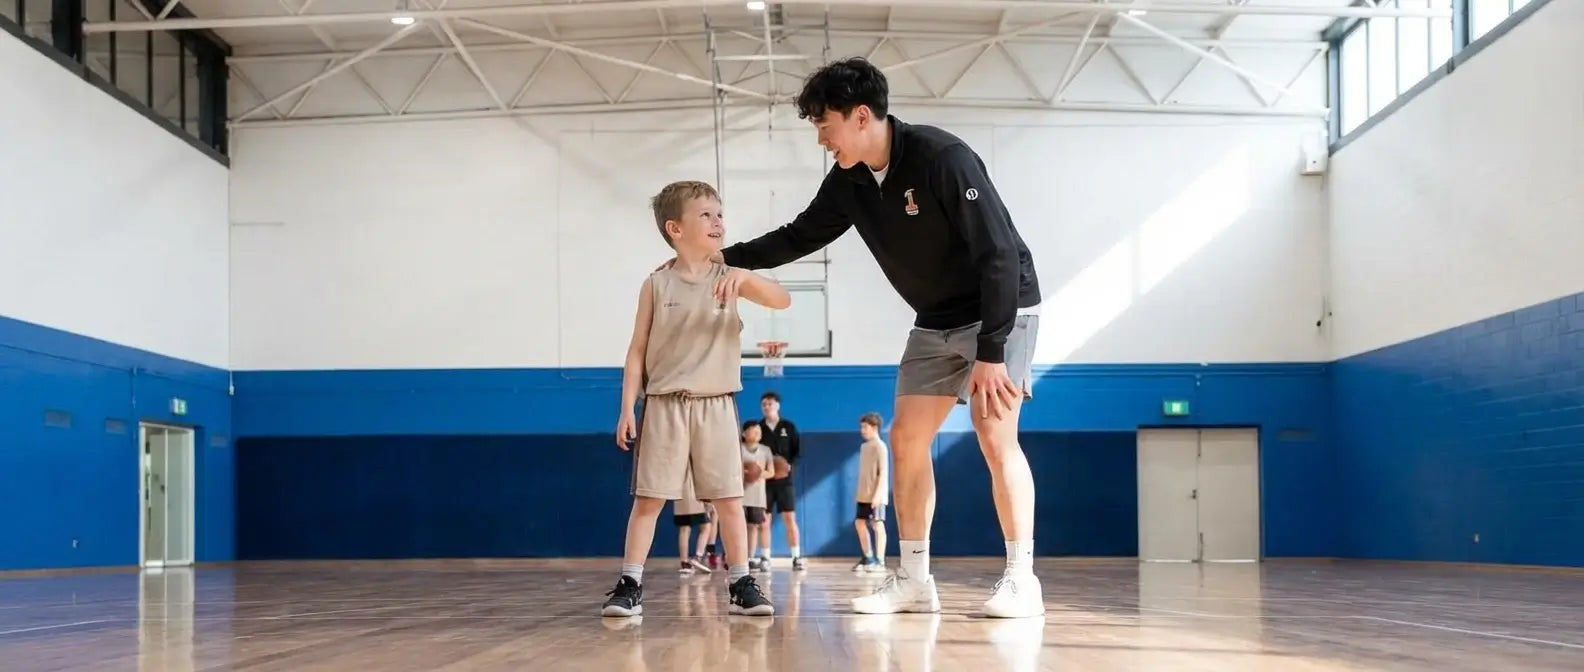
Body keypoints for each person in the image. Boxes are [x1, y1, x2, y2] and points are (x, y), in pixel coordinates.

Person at [708, 57, 1046, 618]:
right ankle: (914, 577)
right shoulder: (849, 182)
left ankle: (1021, 578)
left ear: (861, 116)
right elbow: (798, 236)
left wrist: (991, 352)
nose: (821, 139)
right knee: (908, 439)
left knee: (994, 436)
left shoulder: (943, 158)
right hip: (935, 319)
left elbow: (1000, 254)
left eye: (825, 124)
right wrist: (722, 261)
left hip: (1000, 310)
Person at [603, 180, 789, 618]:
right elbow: (635, 351)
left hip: (717, 402)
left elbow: (781, 300)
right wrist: (627, 406)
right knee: (649, 499)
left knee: (728, 498)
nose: (717, 221)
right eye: (705, 214)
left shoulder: (730, 278)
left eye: (719, 213)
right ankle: (630, 583)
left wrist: (746, 276)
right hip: (665, 403)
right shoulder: (656, 284)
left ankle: (741, 581)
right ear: (675, 228)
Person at [755, 391, 805, 571]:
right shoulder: (758, 428)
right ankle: (765, 557)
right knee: (764, 521)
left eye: (770, 403)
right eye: (764, 404)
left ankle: (796, 556)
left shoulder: (788, 427)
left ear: (777, 405)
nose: (767, 407)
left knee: (789, 519)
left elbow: (797, 452)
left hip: (785, 481)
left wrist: (790, 465)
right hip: (764, 481)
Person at [852, 411, 890, 574]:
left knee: (877, 524)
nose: (862, 430)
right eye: (861, 427)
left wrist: (877, 495)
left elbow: (883, 473)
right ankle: (868, 557)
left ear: (875, 427)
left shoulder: (880, 446)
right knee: (859, 523)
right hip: (863, 494)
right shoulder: (864, 446)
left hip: (876, 495)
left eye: (865, 427)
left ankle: (880, 561)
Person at [739, 421, 775, 570]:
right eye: (753, 431)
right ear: (744, 433)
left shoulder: (766, 450)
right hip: (740, 494)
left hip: (757, 495)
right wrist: (744, 474)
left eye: (759, 431)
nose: (757, 433)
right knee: (739, 528)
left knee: (753, 526)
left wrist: (758, 474)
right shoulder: (738, 449)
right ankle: (739, 557)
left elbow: (771, 472)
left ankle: (751, 556)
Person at [672, 484, 714, 575]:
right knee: (706, 526)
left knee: (684, 528)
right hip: (696, 496)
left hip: (680, 497)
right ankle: (697, 557)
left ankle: (684, 562)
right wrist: (708, 500)